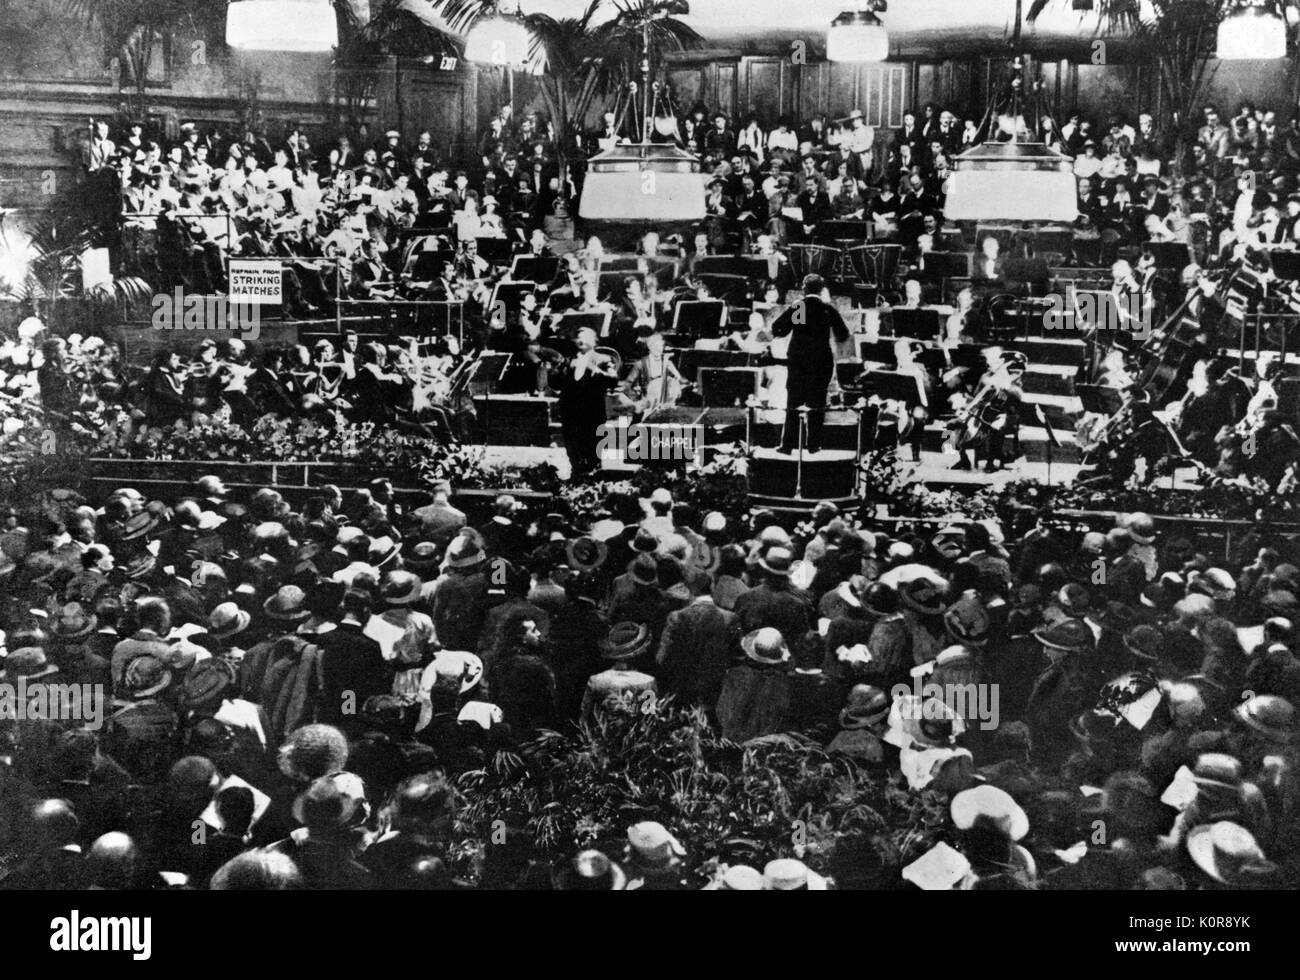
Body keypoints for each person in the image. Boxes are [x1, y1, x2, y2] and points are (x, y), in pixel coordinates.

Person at [770, 274, 850, 454]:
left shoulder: (800, 307)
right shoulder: (827, 309)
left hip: (799, 362)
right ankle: (813, 445)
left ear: (804, 289)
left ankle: (788, 445)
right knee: (817, 403)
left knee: (794, 402)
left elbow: (779, 329)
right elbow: (843, 334)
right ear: (821, 290)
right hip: (821, 363)